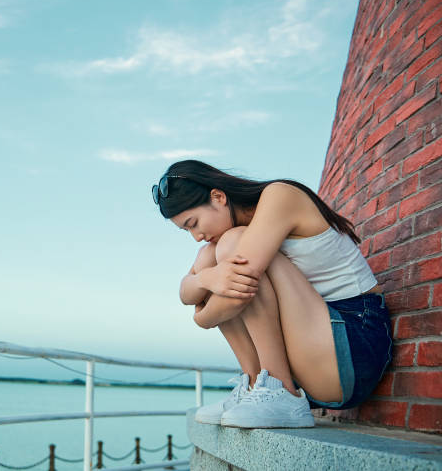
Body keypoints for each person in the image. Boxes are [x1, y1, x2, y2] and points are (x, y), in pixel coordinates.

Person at [151, 159, 392, 428]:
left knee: (231, 250)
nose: (195, 235)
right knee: (209, 257)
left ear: (218, 197)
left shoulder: (280, 196)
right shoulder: (221, 242)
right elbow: (186, 291)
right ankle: (257, 385)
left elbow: (232, 294)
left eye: (193, 223)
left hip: (353, 344)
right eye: (186, 230)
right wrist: (208, 278)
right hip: (315, 354)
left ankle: (280, 391)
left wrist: (201, 317)